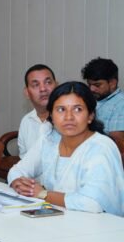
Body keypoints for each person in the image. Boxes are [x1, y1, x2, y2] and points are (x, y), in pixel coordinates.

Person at [8, 82, 124, 216]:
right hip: (60, 218)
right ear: (51, 116)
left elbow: (92, 203)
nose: (69, 117)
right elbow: (17, 171)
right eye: (61, 109)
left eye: (78, 109)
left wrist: (43, 194)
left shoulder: (101, 147)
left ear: (90, 116)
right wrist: (20, 183)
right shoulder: (50, 139)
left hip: (97, 224)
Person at [17, 64, 57, 158]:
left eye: (48, 82)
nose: (43, 89)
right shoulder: (26, 121)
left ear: (57, 86)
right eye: (36, 85)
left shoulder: (67, 119)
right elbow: (24, 159)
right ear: (27, 93)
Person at [81, 57, 124, 140]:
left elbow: (118, 141)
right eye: (89, 84)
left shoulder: (121, 104)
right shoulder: (91, 99)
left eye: (97, 85)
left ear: (112, 83)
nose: (91, 89)